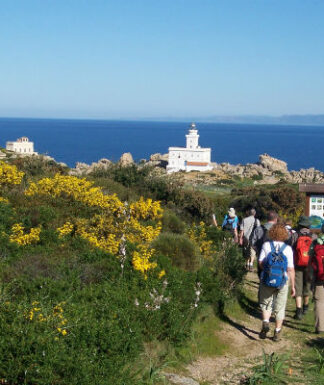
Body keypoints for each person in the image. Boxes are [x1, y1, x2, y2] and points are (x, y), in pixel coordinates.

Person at [258, 224, 295, 341]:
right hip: (282, 281)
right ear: (285, 235)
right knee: (280, 307)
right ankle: (277, 332)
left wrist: (267, 270)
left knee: (265, 303)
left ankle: (265, 322)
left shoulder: (266, 245)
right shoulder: (288, 249)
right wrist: (293, 286)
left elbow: (260, 263)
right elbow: (290, 269)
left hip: (267, 279)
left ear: (271, 233)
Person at [290, 216, 315, 320]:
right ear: (309, 226)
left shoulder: (295, 235)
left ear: (300, 225)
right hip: (309, 266)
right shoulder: (313, 236)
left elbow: (291, 249)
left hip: (297, 264)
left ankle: (298, 311)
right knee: (307, 286)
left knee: (298, 287)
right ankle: (305, 307)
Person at [251, 210, 279, 278]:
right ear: (276, 219)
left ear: (267, 218)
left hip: (261, 258)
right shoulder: (279, 230)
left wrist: (258, 251)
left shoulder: (258, 229)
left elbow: (253, 243)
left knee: (262, 277)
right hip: (276, 258)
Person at [309, 223, 324, 334]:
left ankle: (320, 327)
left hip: (319, 277)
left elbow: (310, 261)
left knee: (319, 301)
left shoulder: (315, 243)